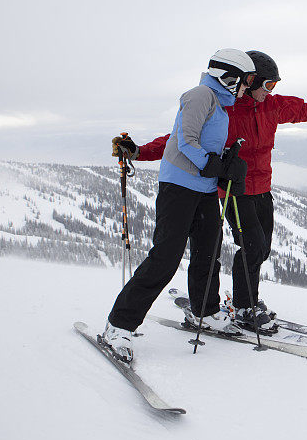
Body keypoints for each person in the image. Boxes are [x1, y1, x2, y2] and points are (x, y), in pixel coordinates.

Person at [118, 50, 307, 333]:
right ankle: (244, 305)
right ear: (249, 82)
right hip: (233, 190)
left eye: (274, 86)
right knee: (250, 245)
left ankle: (230, 304)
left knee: (260, 249)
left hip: (262, 187)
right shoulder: (225, 109)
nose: (271, 91)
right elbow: (178, 139)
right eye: (267, 85)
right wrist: (141, 152)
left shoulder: (272, 106)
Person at [101, 48, 256, 363]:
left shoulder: (222, 108)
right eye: (245, 80)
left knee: (207, 253)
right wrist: (212, 165)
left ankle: (205, 312)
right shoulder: (201, 95)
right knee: (165, 259)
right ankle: (118, 325)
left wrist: (227, 167)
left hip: (204, 189)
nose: (246, 87)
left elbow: (207, 147)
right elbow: (185, 140)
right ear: (228, 77)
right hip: (179, 186)